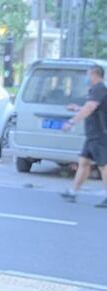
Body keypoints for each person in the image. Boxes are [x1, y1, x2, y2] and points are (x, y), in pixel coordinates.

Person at [60, 64, 107, 207]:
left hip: (100, 134)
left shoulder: (99, 88)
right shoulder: (96, 90)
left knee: (103, 165)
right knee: (84, 162)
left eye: (88, 75)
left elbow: (90, 107)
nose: (86, 78)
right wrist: (78, 108)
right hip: (92, 134)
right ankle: (73, 192)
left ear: (94, 74)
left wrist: (71, 122)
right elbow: (92, 108)